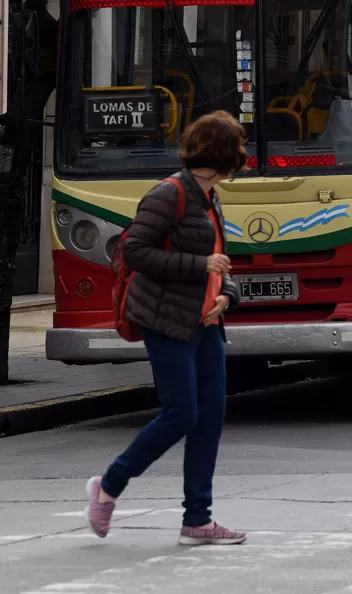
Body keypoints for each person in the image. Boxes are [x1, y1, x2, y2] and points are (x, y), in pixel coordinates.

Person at [86, 111, 246, 546]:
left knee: (210, 416)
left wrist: (227, 296)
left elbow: (221, 261)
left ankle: (198, 520)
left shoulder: (209, 197)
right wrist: (199, 266)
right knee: (182, 414)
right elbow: (133, 251)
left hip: (206, 321)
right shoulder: (168, 194)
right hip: (165, 319)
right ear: (226, 154)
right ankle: (109, 485)